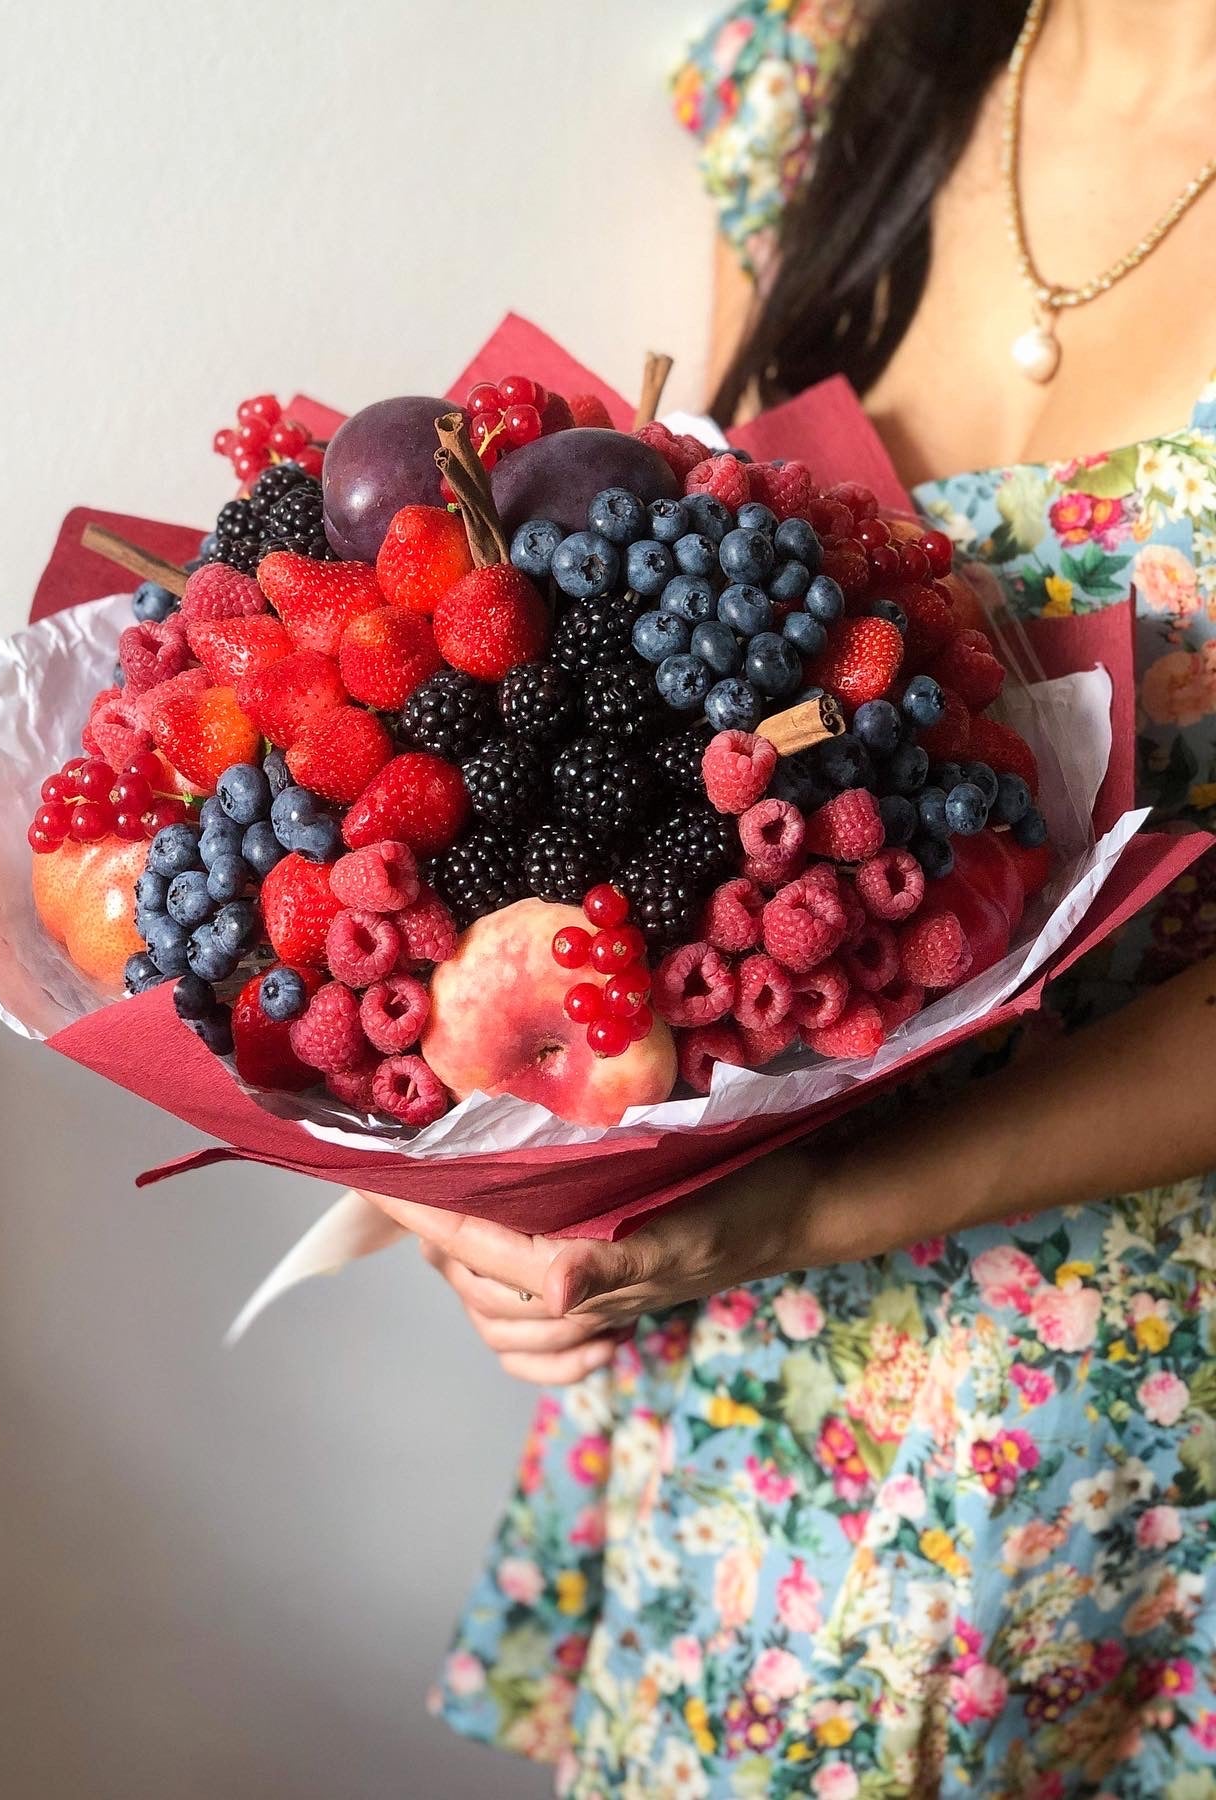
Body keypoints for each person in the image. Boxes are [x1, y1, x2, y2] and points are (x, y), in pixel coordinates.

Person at [370, 2, 1216, 1793]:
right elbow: (672, 715)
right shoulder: (828, 57)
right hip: (745, 1373)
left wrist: (808, 1212)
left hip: (1134, 1426)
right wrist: (526, 1161)